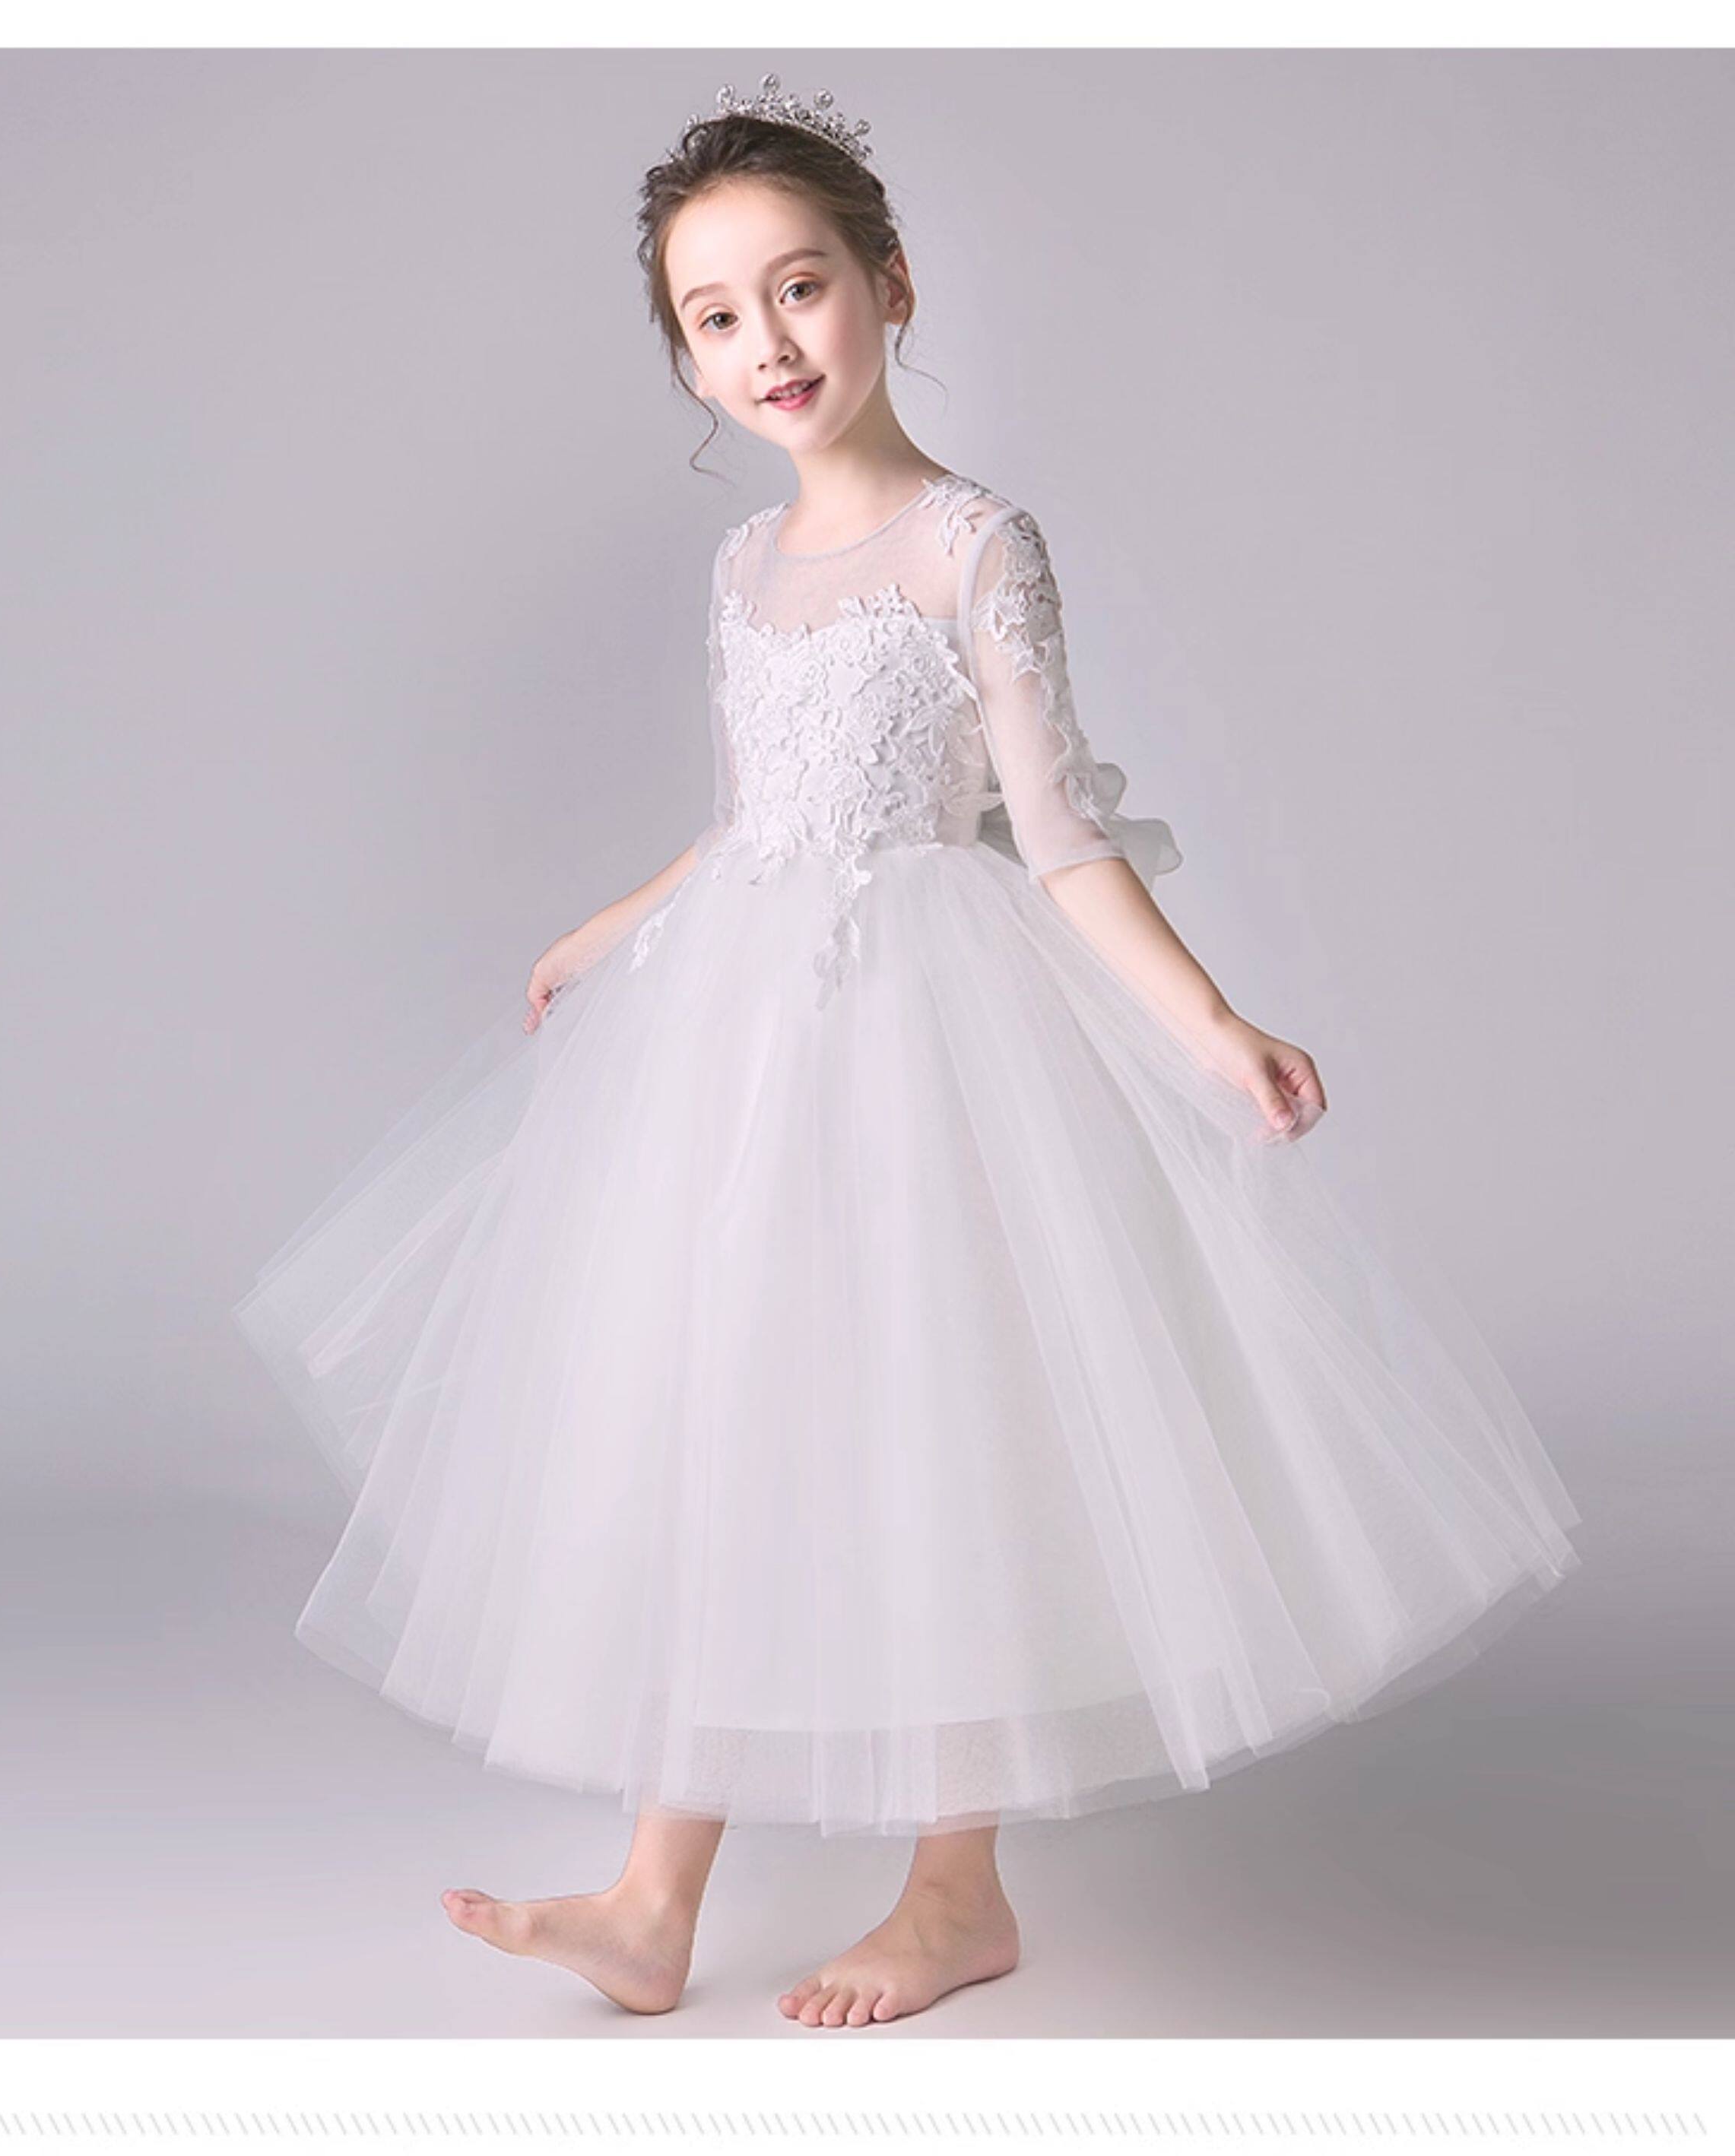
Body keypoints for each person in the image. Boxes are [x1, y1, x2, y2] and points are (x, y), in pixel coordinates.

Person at [233, 75, 1582, 2028]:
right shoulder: (741, 568)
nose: (766, 342)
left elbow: (1056, 837)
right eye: (714, 316)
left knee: (939, 1420)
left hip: (925, 1049)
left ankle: (956, 1890)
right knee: (716, 1412)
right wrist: (620, 923)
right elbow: (754, 817)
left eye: (799, 287)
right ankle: (650, 1898)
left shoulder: (973, 544)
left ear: (890, 282)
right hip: (742, 1047)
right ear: (686, 358)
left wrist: (1212, 1024)